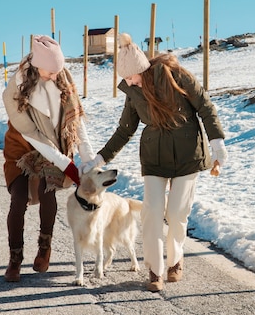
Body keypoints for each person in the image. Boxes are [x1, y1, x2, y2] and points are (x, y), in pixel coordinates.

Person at [80, 33, 227, 292]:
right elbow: (125, 130)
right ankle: (155, 270)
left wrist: (217, 142)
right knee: (152, 213)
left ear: (142, 70)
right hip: (154, 157)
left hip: (187, 156)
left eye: (131, 77)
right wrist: (101, 157)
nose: (128, 82)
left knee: (177, 214)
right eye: (124, 79)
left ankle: (176, 260)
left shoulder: (177, 76)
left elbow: (205, 106)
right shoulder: (133, 92)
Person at [2, 35, 94, 282]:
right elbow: (33, 136)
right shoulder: (16, 88)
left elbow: (75, 122)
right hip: (22, 145)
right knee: (19, 198)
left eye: (58, 71)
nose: (55, 76)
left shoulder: (60, 76)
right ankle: (15, 258)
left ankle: (44, 247)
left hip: (54, 144)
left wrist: (90, 161)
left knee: (47, 189)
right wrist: (68, 165)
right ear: (36, 65)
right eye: (50, 72)